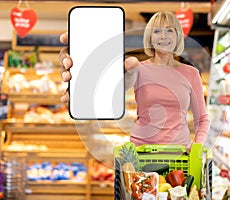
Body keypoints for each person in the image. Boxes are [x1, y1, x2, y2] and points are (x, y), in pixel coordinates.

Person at [59, 11, 210, 149]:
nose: (163, 36)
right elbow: (112, 88)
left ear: (177, 36)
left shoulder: (191, 73)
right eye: (157, 31)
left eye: (169, 30)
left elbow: (202, 119)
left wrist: (197, 145)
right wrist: (85, 68)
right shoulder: (137, 69)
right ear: (150, 38)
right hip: (141, 151)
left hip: (180, 152)